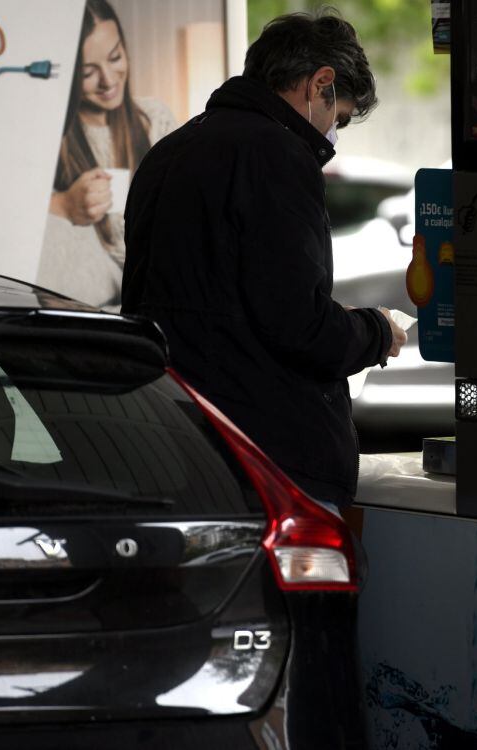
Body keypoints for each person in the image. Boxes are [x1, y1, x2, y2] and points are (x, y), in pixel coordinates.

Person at [121, 10, 407, 510]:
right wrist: (377, 332)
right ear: (320, 83)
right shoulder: (278, 155)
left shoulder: (169, 151)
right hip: (264, 458)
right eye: (337, 117)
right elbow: (297, 325)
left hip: (172, 440)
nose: (333, 138)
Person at [38, 0, 176, 309]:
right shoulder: (50, 134)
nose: (108, 80)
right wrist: (64, 205)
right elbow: (12, 216)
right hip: (85, 289)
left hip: (154, 278)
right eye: (88, 72)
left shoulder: (154, 119)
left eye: (115, 57)